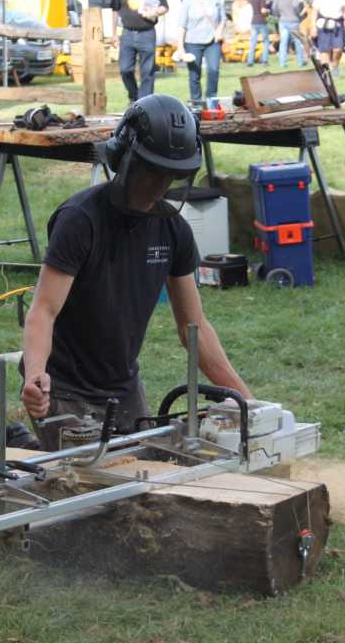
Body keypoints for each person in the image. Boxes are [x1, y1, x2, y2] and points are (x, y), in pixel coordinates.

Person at [21, 94, 252, 451]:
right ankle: (15, 442)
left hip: (122, 385)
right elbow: (43, 310)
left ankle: (18, 442)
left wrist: (248, 404)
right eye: (151, 172)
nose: (160, 186)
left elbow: (194, 328)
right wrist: (36, 375)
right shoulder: (80, 220)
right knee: (88, 479)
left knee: (146, 466)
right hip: (65, 385)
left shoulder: (172, 230)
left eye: (171, 175)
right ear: (125, 159)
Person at [111, 0, 169, 105]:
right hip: (127, 34)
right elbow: (115, 10)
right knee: (125, 69)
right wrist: (114, 33)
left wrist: (154, 11)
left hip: (147, 33)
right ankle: (134, 96)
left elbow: (165, 7)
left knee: (147, 72)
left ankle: (145, 104)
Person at [175, 0, 226, 104]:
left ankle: (211, 101)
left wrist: (219, 31)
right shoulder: (188, 1)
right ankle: (196, 103)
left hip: (212, 42)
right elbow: (181, 25)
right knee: (194, 75)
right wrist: (180, 48)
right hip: (192, 42)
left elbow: (223, 18)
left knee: (214, 71)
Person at [310, 0, 345, 75]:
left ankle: (335, 65)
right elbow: (314, 12)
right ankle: (325, 73)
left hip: (337, 25)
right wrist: (313, 27)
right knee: (324, 50)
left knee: (338, 49)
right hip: (323, 25)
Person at [272, 0, 306, 67]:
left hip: (282, 20)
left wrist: (278, 15)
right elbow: (295, 5)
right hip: (293, 20)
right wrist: (298, 14)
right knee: (297, 41)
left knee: (283, 42)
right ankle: (300, 62)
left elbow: (274, 7)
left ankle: (282, 63)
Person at [247, 0, 271, 66]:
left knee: (253, 42)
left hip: (253, 20)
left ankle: (250, 61)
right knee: (266, 41)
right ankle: (264, 61)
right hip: (261, 21)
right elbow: (263, 10)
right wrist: (269, 11)